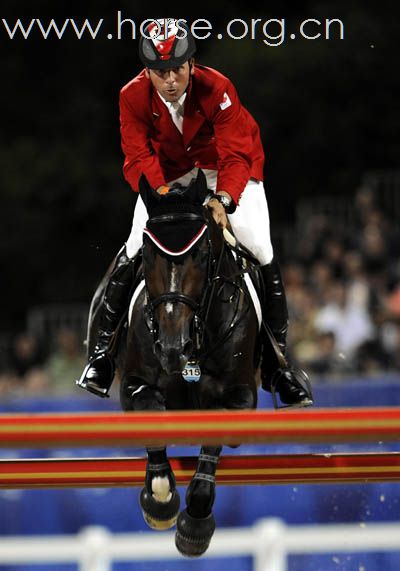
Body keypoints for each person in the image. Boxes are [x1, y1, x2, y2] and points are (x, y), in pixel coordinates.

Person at [77, 18, 313, 407]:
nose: (170, 80)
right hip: (167, 177)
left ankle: (278, 366)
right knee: (134, 248)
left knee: (259, 247)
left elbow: (234, 154)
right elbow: (137, 156)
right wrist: (166, 198)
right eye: (160, 72)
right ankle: (102, 356)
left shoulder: (217, 87)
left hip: (228, 170)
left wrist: (224, 200)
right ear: (147, 71)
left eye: (177, 70)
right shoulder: (131, 95)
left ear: (191, 64)